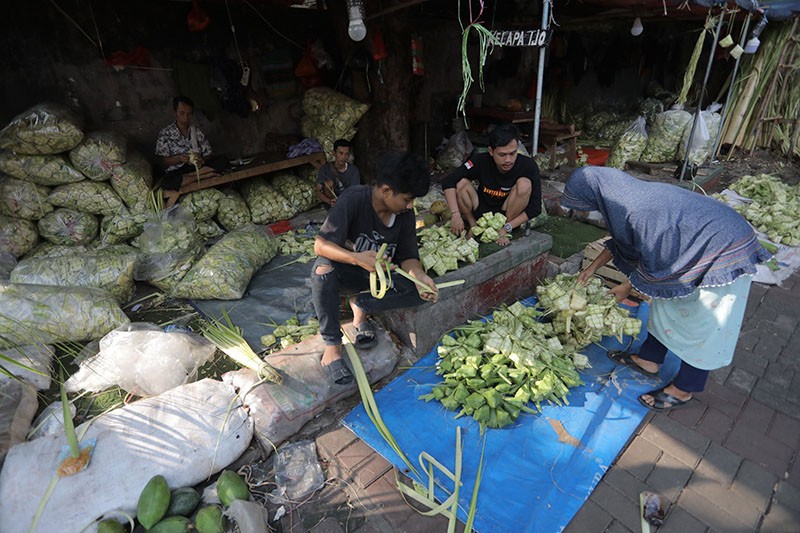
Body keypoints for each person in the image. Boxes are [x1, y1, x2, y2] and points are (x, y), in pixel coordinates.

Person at [561, 167, 771, 412]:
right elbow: (623, 240)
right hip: (695, 242)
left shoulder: (636, 210)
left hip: (722, 248)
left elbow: (653, 261)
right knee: (666, 305)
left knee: (706, 322)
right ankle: (649, 359)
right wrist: (591, 269)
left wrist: (626, 287)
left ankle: (684, 389)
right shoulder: (623, 198)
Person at [311, 151, 439, 385]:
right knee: (322, 272)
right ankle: (333, 347)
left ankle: (360, 306)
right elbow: (320, 245)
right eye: (407, 199)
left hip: (379, 278)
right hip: (349, 270)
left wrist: (420, 277)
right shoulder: (353, 199)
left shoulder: (405, 215)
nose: (410, 206)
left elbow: (408, 257)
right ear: (387, 191)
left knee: (420, 292)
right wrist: (356, 258)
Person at [441, 123, 541, 246]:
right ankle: (473, 226)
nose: (508, 160)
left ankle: (502, 230)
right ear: (491, 151)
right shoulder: (480, 160)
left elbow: (535, 208)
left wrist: (506, 228)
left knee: (525, 184)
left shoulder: (528, 166)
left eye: (512, 153)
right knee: (461, 183)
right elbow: (448, 181)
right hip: (481, 209)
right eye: (502, 155)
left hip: (507, 214)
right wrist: (455, 215)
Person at [155, 96, 226, 190]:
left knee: (223, 160)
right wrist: (179, 159)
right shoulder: (165, 133)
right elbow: (164, 162)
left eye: (189, 114)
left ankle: (192, 177)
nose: (185, 117)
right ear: (174, 112)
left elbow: (208, 154)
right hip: (178, 171)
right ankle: (203, 176)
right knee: (167, 183)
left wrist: (201, 159)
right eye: (182, 113)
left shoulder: (196, 132)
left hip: (197, 168)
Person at [315, 139, 362, 208]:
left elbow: (354, 193)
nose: (343, 157)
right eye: (340, 153)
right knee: (329, 183)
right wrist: (329, 201)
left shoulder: (353, 170)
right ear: (334, 153)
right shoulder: (325, 169)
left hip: (348, 203)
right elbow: (318, 191)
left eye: (346, 154)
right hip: (332, 203)